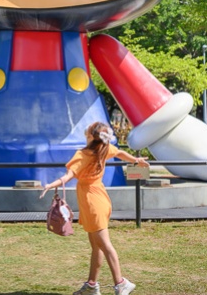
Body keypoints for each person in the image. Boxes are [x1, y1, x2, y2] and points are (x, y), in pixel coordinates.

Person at [40, 122, 148, 295]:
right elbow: (119, 152)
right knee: (97, 246)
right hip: (99, 200)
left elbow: (68, 176)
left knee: (104, 245)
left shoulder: (83, 154)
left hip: (93, 204)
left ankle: (120, 283)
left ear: (90, 136)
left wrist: (51, 185)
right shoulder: (104, 149)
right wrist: (136, 160)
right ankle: (92, 285)